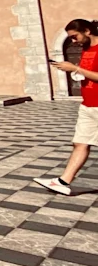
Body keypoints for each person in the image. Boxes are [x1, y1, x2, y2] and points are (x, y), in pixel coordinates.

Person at [36, 19, 98, 195]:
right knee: (80, 143)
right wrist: (74, 70)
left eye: (74, 36)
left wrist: (75, 69)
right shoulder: (86, 49)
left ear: (87, 31)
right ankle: (62, 182)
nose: (73, 41)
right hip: (88, 105)